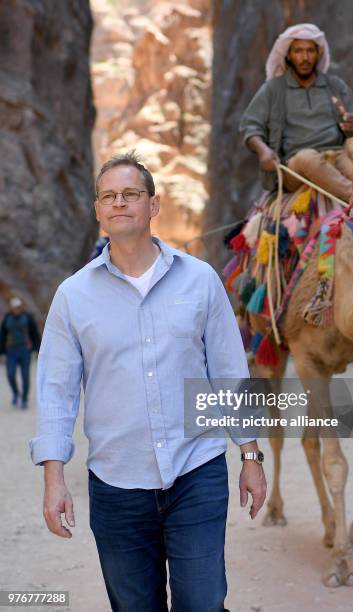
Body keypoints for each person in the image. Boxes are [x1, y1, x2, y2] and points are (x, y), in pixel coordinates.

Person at [30, 151, 267, 612]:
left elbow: (229, 372)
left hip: (196, 473)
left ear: (153, 206)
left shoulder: (200, 281)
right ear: (98, 209)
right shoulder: (72, 297)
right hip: (116, 486)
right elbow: (57, 393)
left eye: (131, 194)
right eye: (109, 196)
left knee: (203, 603)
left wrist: (251, 455)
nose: (120, 203)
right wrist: (53, 479)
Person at [240, 23, 353, 198]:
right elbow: (249, 126)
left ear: (318, 54)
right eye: (298, 51)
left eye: (310, 51)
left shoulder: (335, 85)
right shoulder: (274, 89)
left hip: (338, 156)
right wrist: (263, 150)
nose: (305, 58)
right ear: (288, 56)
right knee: (307, 158)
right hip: (295, 165)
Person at [0, 297, 41, 409]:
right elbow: (2, 336)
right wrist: (1, 352)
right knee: (10, 374)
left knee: (25, 375)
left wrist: (38, 349)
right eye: (14, 308)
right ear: (11, 308)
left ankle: (24, 399)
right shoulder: (7, 319)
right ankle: (16, 393)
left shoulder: (27, 318)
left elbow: (34, 333)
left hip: (25, 351)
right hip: (11, 351)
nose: (16, 309)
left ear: (20, 307)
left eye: (18, 307)